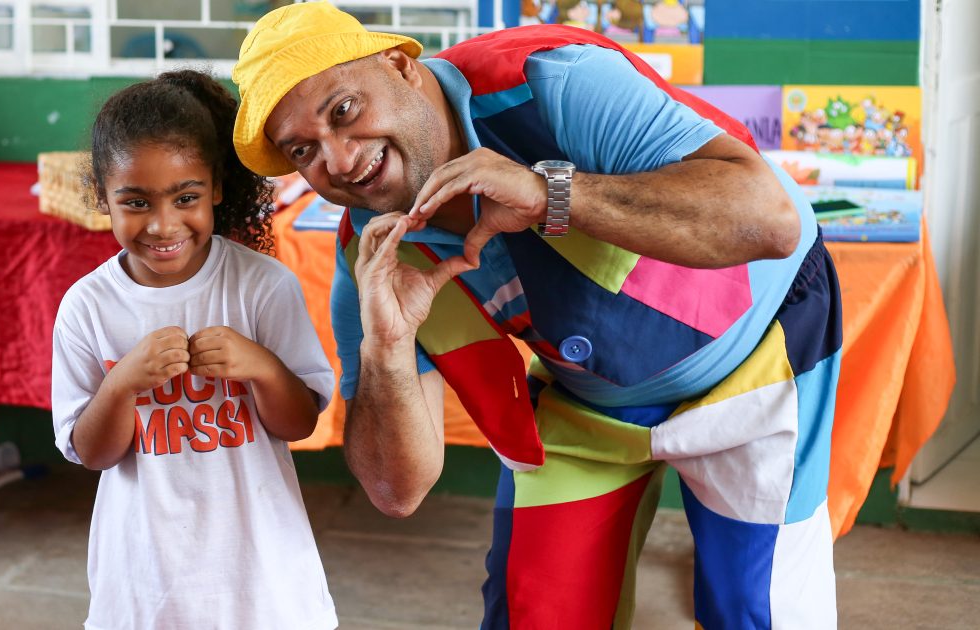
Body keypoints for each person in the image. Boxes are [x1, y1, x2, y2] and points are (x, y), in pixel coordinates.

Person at [231, 3, 840, 629]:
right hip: (589, 404)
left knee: (760, 608)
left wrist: (551, 192)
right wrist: (388, 345)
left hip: (759, 352)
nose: (336, 159)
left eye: (344, 111)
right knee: (534, 613)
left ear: (399, 67)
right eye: (304, 149)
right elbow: (395, 490)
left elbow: (770, 222)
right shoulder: (372, 256)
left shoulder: (551, 81)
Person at [50, 70, 337, 629]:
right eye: (135, 202)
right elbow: (92, 452)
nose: (163, 225)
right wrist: (122, 384)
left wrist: (260, 367)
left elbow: (300, 422)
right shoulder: (87, 307)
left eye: (186, 197)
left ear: (217, 189)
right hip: (145, 578)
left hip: (262, 577)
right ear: (102, 198)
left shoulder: (261, 286)